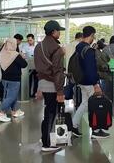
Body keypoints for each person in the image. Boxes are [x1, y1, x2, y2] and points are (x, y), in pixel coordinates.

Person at [71, 26, 108, 139]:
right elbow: (90, 68)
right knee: (95, 104)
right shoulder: (88, 50)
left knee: (85, 103)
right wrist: (95, 83)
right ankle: (96, 130)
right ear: (91, 35)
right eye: (93, 36)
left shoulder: (79, 47)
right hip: (89, 81)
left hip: (81, 80)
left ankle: (74, 125)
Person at [34, 20, 66, 152]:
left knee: (48, 111)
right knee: (51, 113)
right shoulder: (56, 49)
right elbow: (57, 72)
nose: (60, 33)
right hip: (53, 84)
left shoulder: (38, 46)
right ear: (53, 32)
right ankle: (46, 143)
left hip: (42, 82)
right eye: (59, 31)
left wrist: (39, 88)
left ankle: (44, 137)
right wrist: (60, 92)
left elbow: (38, 67)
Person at [0, 38, 27, 122]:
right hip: (14, 79)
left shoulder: (2, 53)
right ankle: (1, 112)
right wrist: (21, 56)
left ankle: (14, 111)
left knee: (11, 96)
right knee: (11, 96)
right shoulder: (15, 54)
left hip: (4, 79)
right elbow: (24, 64)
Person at [22, 34, 38, 98]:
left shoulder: (37, 46)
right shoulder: (25, 47)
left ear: (33, 40)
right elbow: (23, 55)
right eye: (28, 40)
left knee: (36, 80)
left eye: (30, 40)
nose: (29, 42)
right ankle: (27, 93)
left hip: (37, 66)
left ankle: (34, 93)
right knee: (29, 80)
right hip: (28, 66)